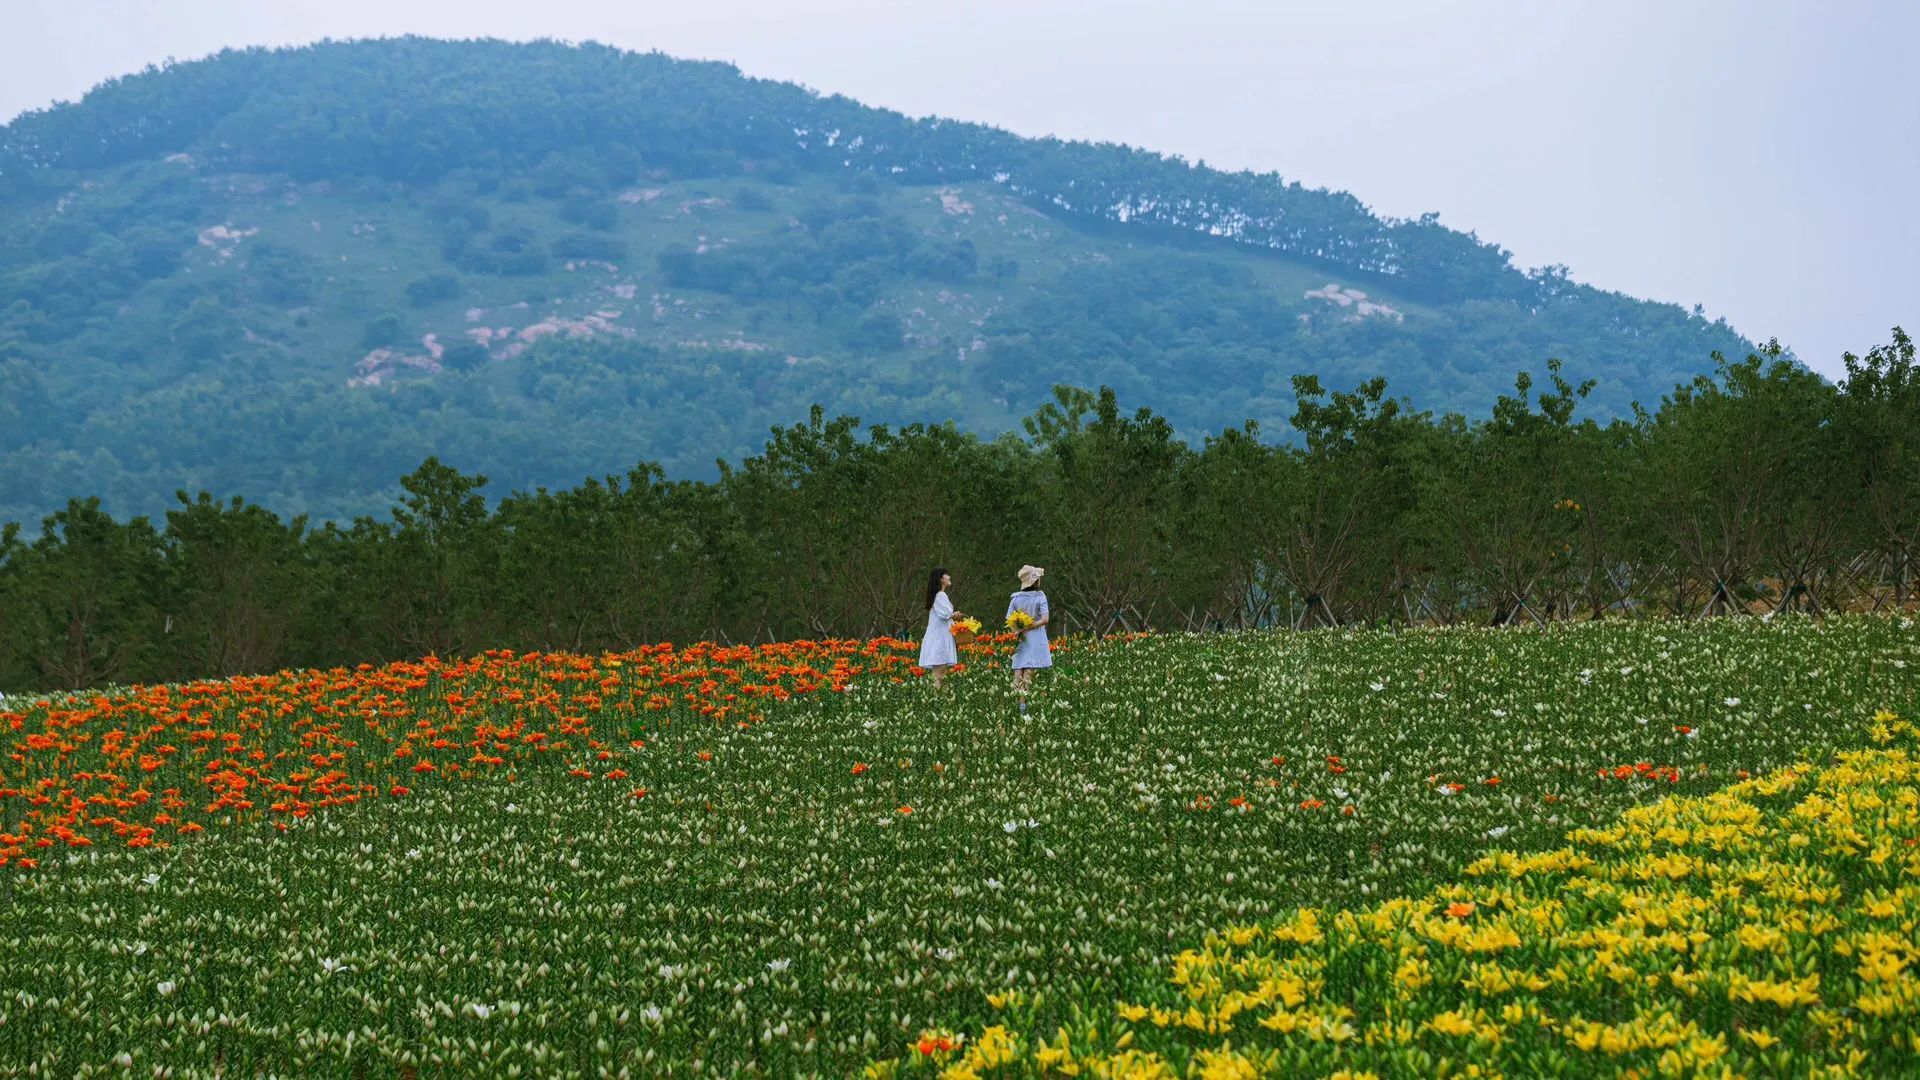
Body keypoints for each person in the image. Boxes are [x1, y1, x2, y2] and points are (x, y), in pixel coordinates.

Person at [1006, 565, 1051, 708]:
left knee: (1019, 670)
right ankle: (1023, 707)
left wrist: (1016, 631)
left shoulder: (1016, 598)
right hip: (1036, 637)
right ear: (1034, 581)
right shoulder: (1040, 596)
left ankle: (1016, 705)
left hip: (1021, 637)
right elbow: (1045, 619)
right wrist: (1030, 626)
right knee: (1029, 671)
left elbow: (1010, 619)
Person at [919, 568, 966, 688]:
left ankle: (940, 698)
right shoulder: (940, 595)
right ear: (941, 579)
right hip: (939, 639)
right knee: (939, 672)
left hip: (938, 637)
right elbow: (945, 614)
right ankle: (935, 700)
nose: (949, 577)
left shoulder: (938, 595)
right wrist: (954, 614)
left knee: (939, 673)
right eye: (946, 575)